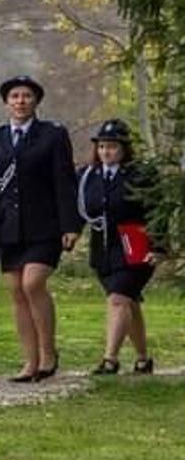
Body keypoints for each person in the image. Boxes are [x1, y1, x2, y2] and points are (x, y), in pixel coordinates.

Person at [0, 75, 80, 382]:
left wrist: (70, 224)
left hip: (44, 224)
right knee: (17, 291)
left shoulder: (52, 134)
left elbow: (64, 180)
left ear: (36, 101)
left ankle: (49, 353)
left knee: (33, 283)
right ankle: (30, 359)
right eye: (14, 96)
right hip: (8, 225)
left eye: (26, 96)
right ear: (6, 102)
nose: (20, 101)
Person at [78, 120, 160, 376]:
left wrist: (159, 247)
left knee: (118, 299)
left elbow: (157, 212)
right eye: (102, 146)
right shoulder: (87, 176)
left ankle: (110, 359)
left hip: (135, 247)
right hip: (103, 249)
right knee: (129, 302)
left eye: (112, 147)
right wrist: (70, 232)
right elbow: (80, 208)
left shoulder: (141, 176)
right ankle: (143, 359)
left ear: (124, 149)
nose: (106, 152)